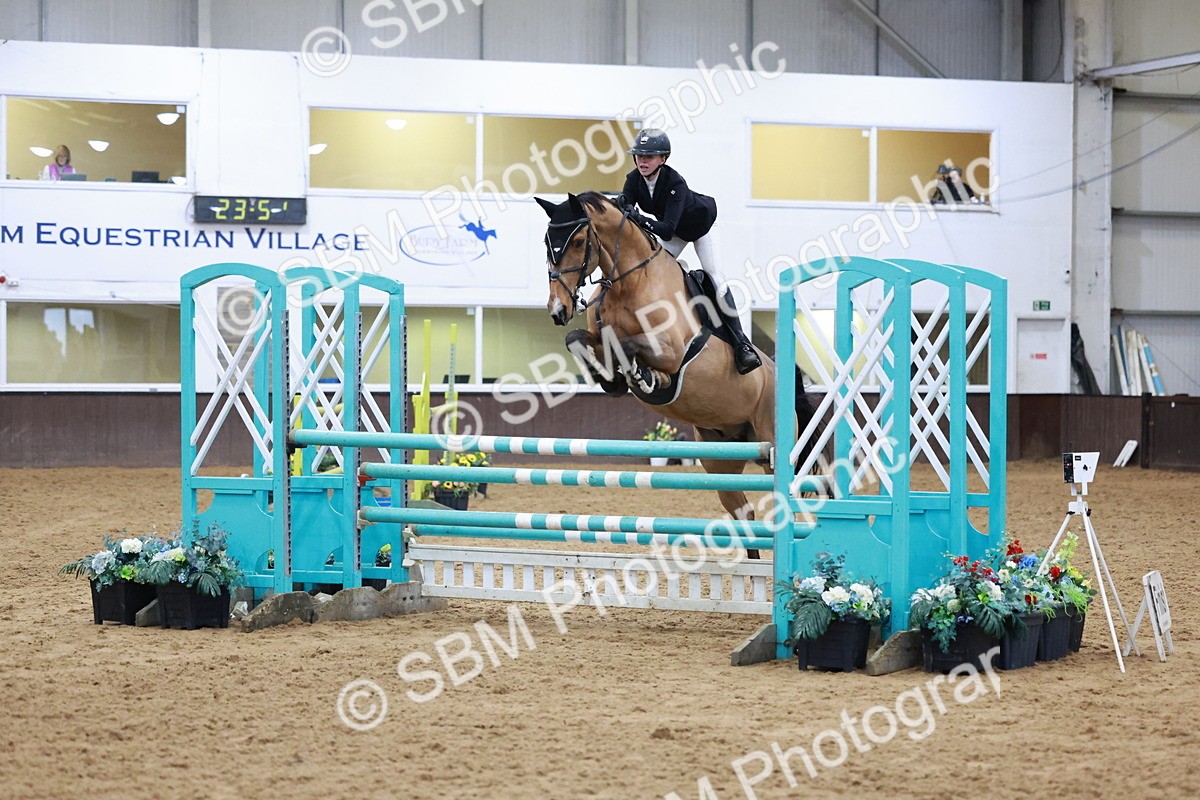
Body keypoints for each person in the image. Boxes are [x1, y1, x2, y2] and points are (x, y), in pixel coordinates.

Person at [618, 129, 761, 374]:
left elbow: (666, 229)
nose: (642, 161)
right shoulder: (634, 179)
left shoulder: (675, 183)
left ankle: (742, 344)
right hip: (674, 231)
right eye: (639, 155)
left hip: (701, 227)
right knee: (649, 267)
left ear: (663, 159)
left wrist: (638, 217)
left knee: (714, 275)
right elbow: (625, 207)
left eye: (649, 156)